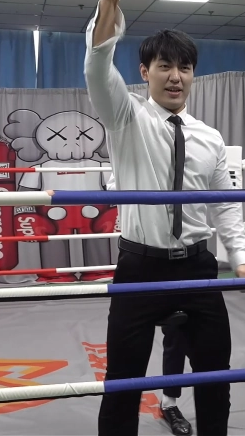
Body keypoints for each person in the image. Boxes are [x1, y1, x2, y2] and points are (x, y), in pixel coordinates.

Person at [84, 0, 245, 434]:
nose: (176, 76)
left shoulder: (210, 137)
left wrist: (240, 257)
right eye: (165, 66)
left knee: (215, 380)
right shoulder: (126, 117)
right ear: (145, 72)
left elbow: (224, 205)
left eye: (184, 67)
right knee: (122, 383)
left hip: (198, 268)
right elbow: (98, 64)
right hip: (140, 268)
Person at [105, 173, 193, 436]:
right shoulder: (133, 157)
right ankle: (122, 418)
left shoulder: (188, 157)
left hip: (184, 254)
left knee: (179, 331)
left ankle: (169, 403)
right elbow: (113, 187)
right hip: (141, 255)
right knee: (127, 351)